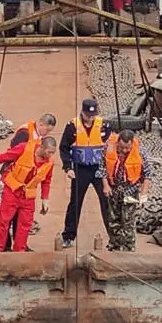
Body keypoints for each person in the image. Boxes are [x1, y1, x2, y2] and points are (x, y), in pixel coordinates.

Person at [0, 136, 57, 253]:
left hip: (28, 196)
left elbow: (46, 180)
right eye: (49, 152)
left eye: (53, 153)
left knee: (25, 225)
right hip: (12, 190)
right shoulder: (24, 148)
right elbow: (5, 156)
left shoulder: (50, 163)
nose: (51, 155)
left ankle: (19, 251)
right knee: (4, 220)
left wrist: (45, 199)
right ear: (42, 147)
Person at [59, 98, 110, 247]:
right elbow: (64, 147)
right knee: (75, 202)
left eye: (93, 116)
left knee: (106, 201)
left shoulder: (104, 126)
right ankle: (68, 235)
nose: (90, 119)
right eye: (88, 116)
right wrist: (68, 167)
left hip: (99, 169)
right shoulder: (72, 126)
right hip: (80, 169)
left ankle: (114, 236)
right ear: (82, 112)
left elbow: (111, 147)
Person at [102, 131, 151, 252]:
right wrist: (106, 185)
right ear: (118, 142)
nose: (124, 150)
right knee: (113, 220)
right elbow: (101, 168)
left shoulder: (140, 151)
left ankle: (129, 248)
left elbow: (148, 174)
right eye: (122, 147)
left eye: (127, 148)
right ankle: (114, 246)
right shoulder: (109, 146)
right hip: (114, 190)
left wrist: (144, 193)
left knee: (128, 221)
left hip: (131, 191)